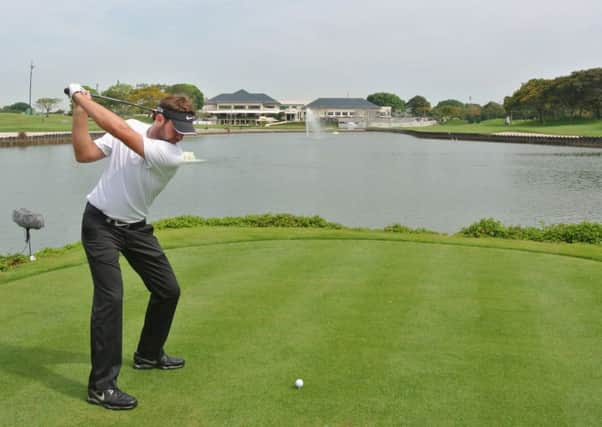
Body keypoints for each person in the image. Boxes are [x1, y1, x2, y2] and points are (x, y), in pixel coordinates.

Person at [67, 83, 196, 410]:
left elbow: (119, 128)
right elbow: (84, 154)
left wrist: (81, 96)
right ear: (159, 117)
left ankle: (148, 354)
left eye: (185, 131)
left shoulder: (170, 155)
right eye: (177, 128)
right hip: (100, 225)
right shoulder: (135, 130)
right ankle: (101, 387)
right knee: (111, 299)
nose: (181, 136)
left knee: (168, 290)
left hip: (135, 228)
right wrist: (80, 112)